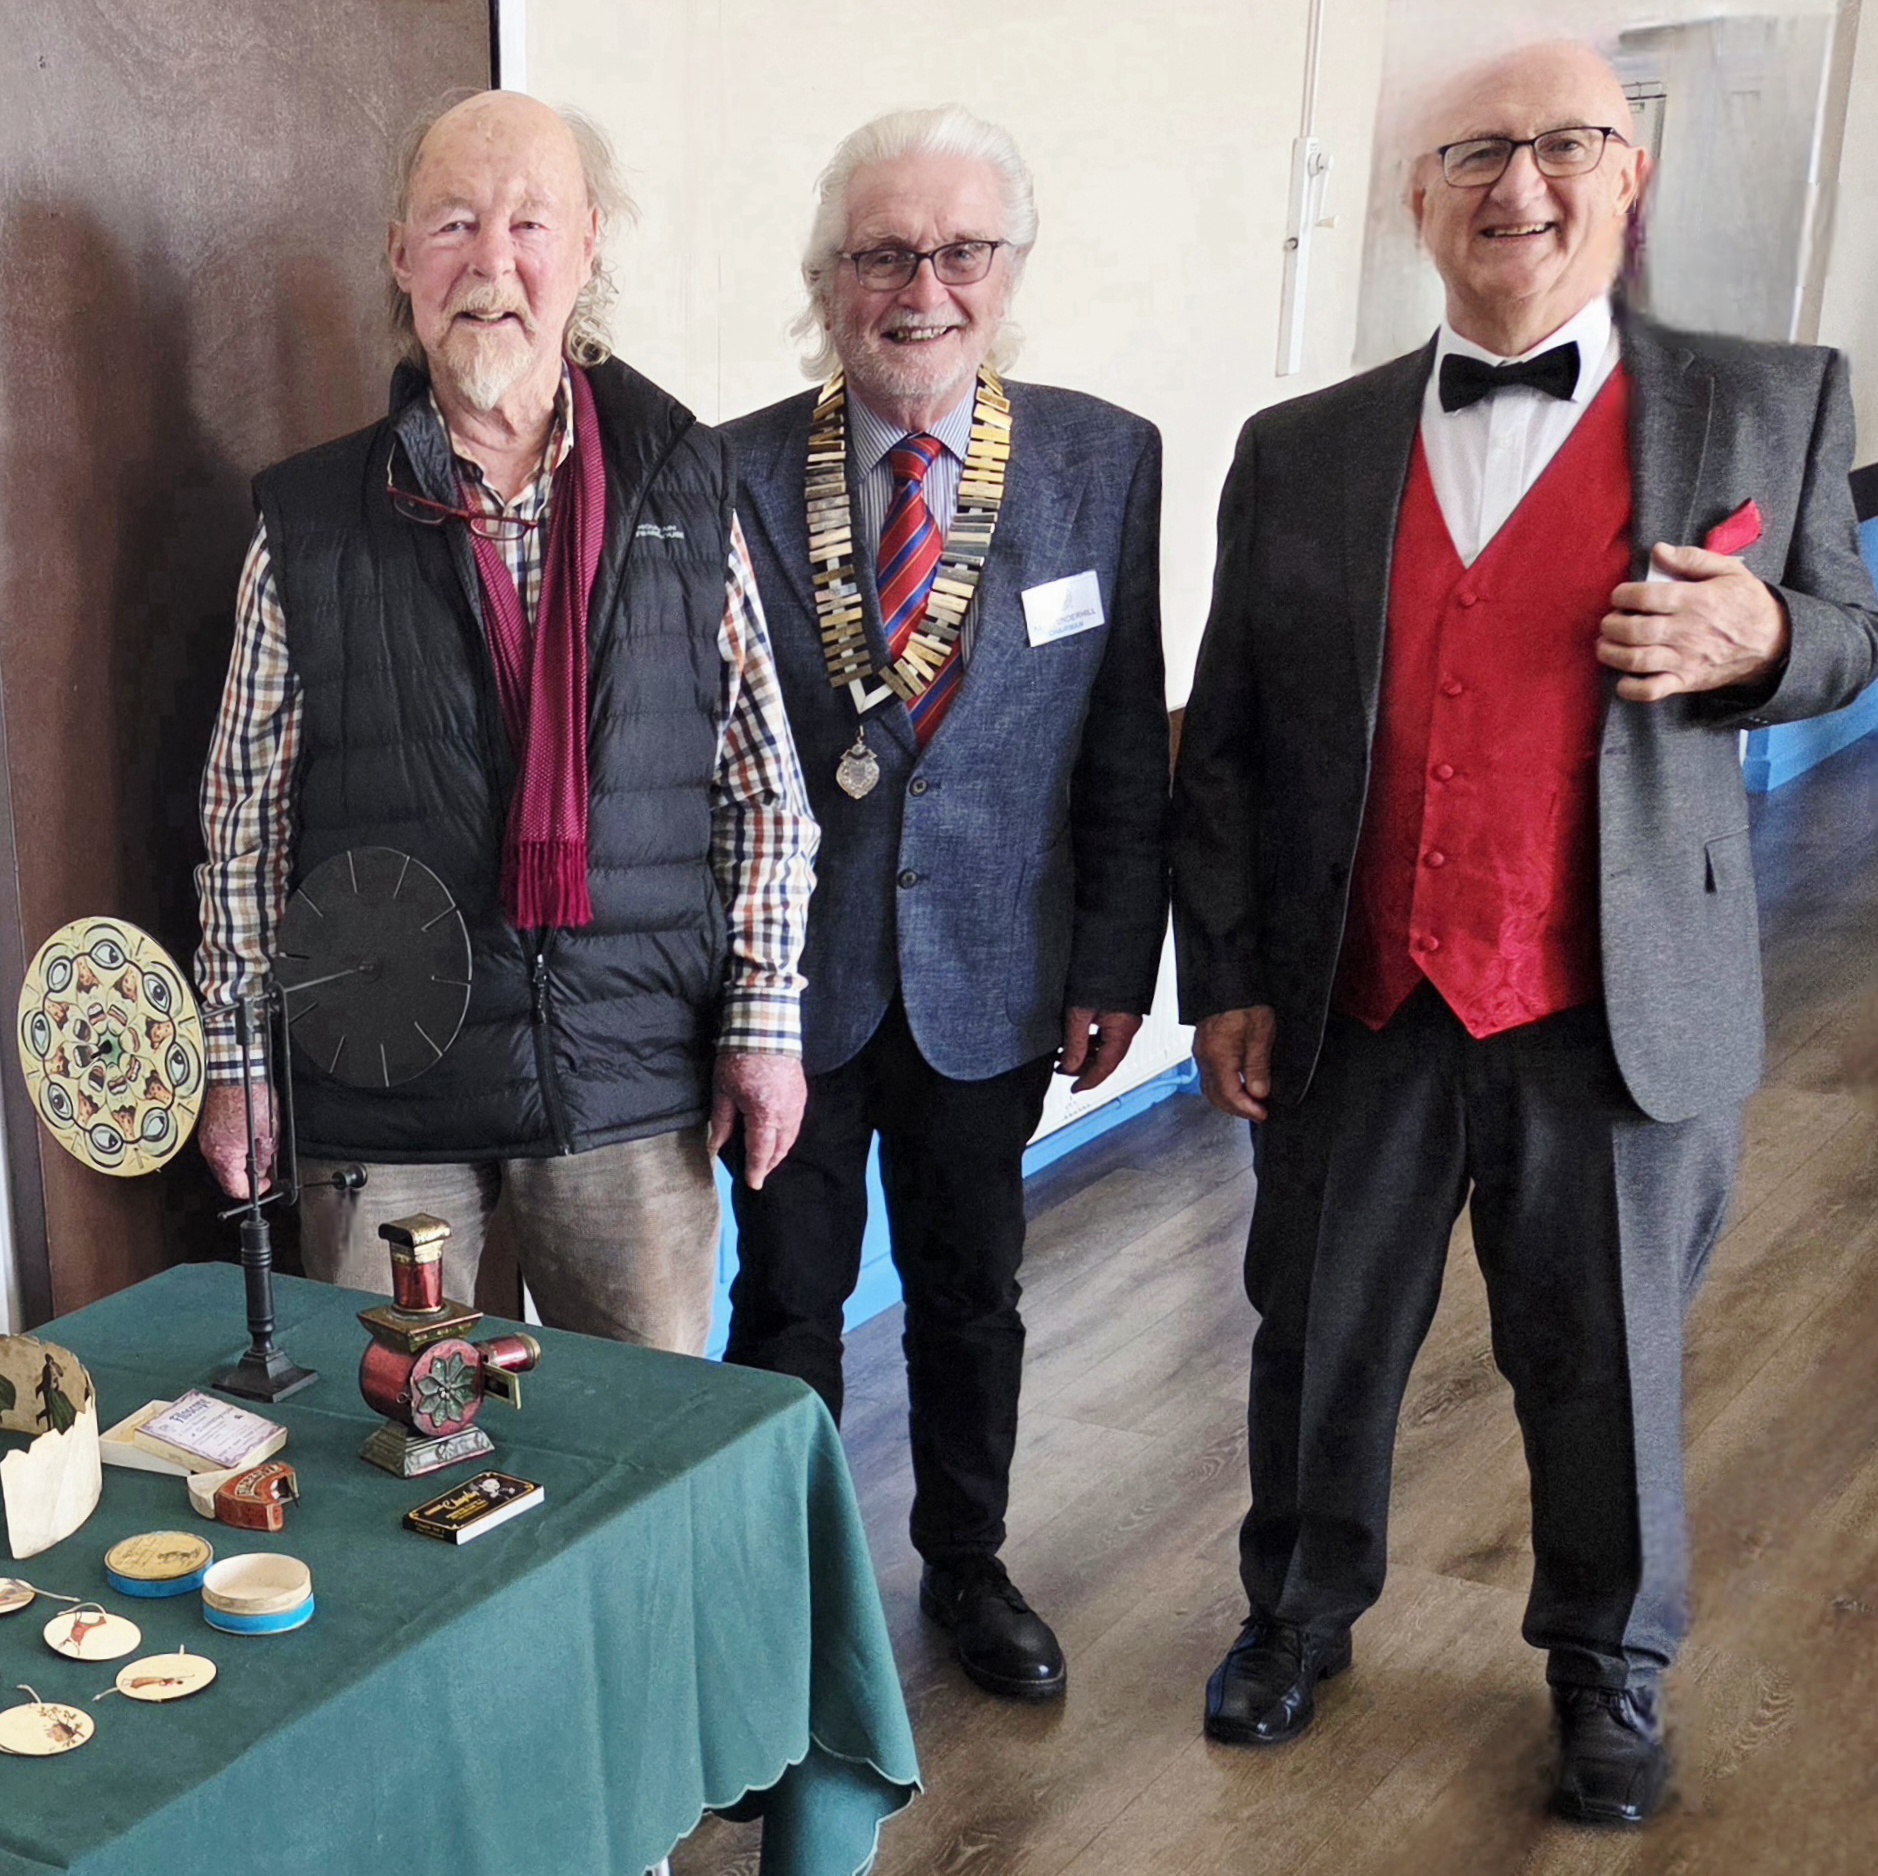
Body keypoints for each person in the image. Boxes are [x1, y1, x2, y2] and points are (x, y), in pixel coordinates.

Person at [1173, 41, 1878, 1824]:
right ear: (1415, 199)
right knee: (1316, 1335)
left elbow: (1847, 634)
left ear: (1626, 176)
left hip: (1611, 996)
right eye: (1475, 154)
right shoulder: (1299, 447)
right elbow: (1231, 734)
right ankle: (1295, 1612)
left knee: (1606, 1355)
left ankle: (1605, 1666)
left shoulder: (1768, 400)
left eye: (1566, 145)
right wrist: (1232, 976)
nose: (1521, 187)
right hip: (1362, 995)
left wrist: (1767, 646)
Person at [194, 91, 818, 1355]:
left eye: (530, 222)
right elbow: (245, 818)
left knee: (637, 1462)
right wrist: (235, 1054)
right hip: (382, 1091)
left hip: (626, 1075)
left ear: (587, 246)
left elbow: (761, 779)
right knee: (388, 1467)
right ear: (399, 255)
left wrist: (763, 1019)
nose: (493, 263)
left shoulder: (689, 486)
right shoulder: (309, 524)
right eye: (455, 224)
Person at [722, 107, 1169, 1700]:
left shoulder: (1104, 458)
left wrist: (1117, 956)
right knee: (784, 1299)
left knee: (972, 1295)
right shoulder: (733, 471)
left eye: (960, 250)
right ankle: (776, 1592)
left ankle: (966, 1570)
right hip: (794, 985)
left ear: (1009, 268)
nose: (925, 286)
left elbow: (1122, 731)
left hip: (997, 966)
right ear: (829, 278)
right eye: (884, 253)